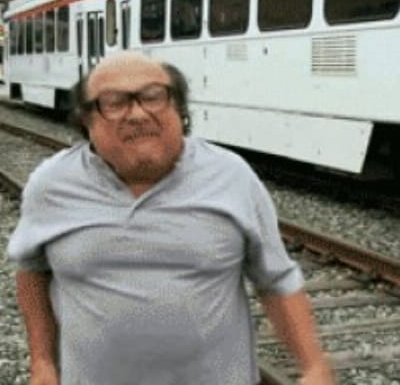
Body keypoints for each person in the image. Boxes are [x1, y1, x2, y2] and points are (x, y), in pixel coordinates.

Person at [7, 51, 335, 385]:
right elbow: (32, 269)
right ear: (86, 120)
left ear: (179, 109)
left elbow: (276, 279)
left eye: (153, 97)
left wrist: (314, 366)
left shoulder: (232, 176)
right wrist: (42, 362)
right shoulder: (51, 184)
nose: (138, 114)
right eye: (114, 102)